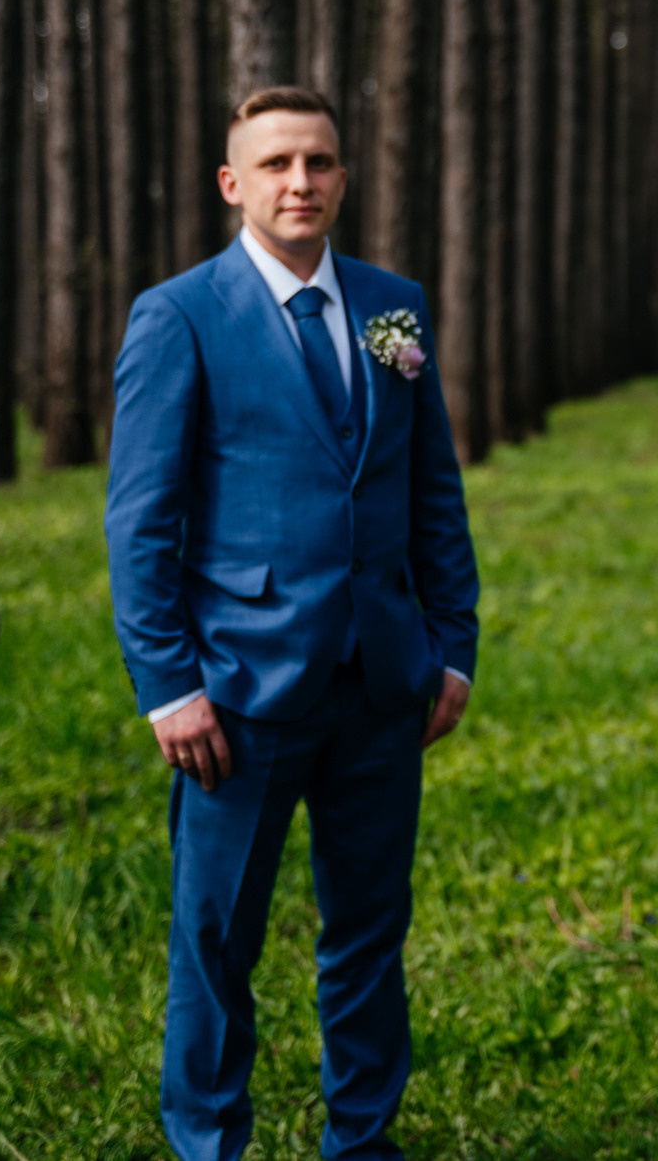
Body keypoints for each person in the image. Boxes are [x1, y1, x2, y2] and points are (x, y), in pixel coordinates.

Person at [105, 87, 479, 1161]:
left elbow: (431, 493)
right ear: (234, 183)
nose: (299, 182)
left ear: (343, 176)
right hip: (237, 697)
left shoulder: (391, 305)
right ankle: (209, 1143)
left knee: (368, 934)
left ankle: (361, 1142)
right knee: (215, 941)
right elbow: (141, 521)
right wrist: (169, 686)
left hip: (379, 688)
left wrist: (450, 646)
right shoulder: (178, 316)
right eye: (274, 165)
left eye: (317, 161)